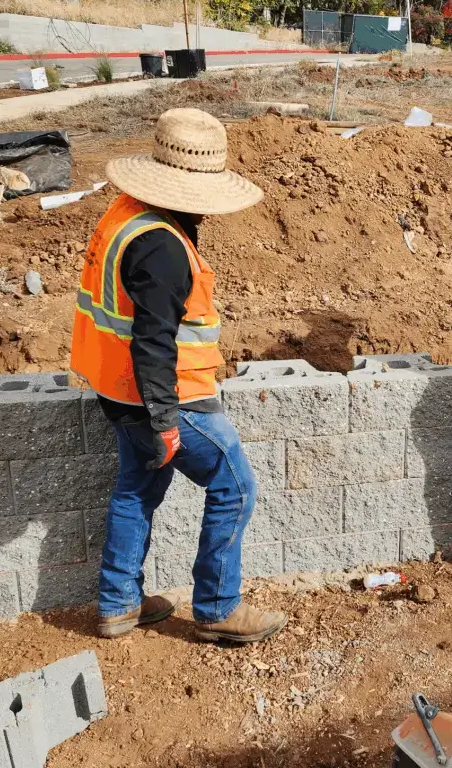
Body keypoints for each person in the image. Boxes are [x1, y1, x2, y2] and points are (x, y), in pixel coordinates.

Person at [70, 107, 288, 643]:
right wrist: (165, 421)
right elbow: (154, 341)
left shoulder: (125, 214)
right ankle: (218, 609)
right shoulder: (163, 248)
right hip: (169, 399)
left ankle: (119, 604)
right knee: (235, 487)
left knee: (136, 490)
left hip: (116, 389)